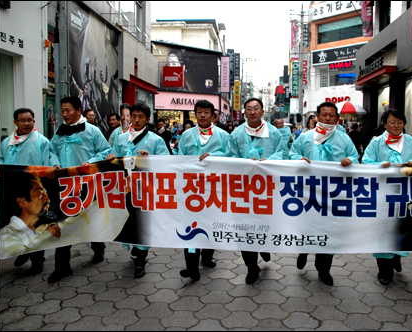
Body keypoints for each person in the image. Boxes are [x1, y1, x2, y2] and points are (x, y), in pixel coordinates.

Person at [290, 101, 359, 286]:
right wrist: (299, 159)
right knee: (307, 225)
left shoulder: (344, 139)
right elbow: (292, 154)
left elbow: (355, 157)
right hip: (308, 191)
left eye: (331, 115)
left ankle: (324, 269)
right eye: (324, 115)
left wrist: (349, 160)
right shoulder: (305, 137)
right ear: (317, 116)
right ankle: (303, 250)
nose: (327, 118)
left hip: (333, 193)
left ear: (337, 118)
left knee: (330, 230)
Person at [48, 96, 111, 283]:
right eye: (63, 110)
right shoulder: (59, 132)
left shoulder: (92, 131)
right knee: (64, 223)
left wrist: (90, 162)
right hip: (65, 187)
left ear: (78, 110)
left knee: (90, 220)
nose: (65, 114)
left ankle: (98, 248)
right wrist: (55, 162)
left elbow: (105, 151)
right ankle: (62, 267)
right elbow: (51, 151)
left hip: (87, 185)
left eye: (68, 110)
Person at [362, 108, 412, 285]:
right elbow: (366, 162)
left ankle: (396, 257)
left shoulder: (411, 142)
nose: (396, 125)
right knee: (383, 230)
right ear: (385, 124)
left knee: (401, 228)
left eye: (400, 122)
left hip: (405, 195)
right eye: (392, 122)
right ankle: (384, 269)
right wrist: (379, 166)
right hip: (382, 194)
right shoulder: (376, 142)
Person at [226, 98, 289, 284]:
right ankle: (251, 267)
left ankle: (264, 245)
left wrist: (269, 161)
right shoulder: (236, 134)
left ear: (262, 112)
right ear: (244, 112)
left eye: (256, 109)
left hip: (269, 189)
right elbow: (230, 156)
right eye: (249, 109)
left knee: (267, 224)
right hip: (244, 189)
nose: (252, 112)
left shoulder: (274, 133)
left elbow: (283, 153)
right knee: (245, 228)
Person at [107, 103, 170, 278]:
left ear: (148, 120)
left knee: (143, 223)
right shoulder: (121, 138)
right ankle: (135, 249)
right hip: (125, 188)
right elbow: (114, 157)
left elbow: (167, 162)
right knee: (129, 220)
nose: (135, 120)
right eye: (133, 116)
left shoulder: (155, 140)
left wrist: (150, 160)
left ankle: (140, 261)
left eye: (140, 116)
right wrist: (112, 158)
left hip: (145, 190)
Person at [178, 100, 230, 281]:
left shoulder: (224, 136)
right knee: (191, 225)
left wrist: (214, 157)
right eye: (199, 112)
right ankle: (192, 267)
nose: (202, 115)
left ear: (213, 115)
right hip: (191, 188)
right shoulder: (185, 135)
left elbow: (232, 157)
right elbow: (179, 159)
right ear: (195, 114)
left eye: (206, 112)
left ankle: (207, 256)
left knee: (210, 223)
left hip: (215, 188)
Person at [0, 108, 54, 275]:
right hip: (12, 191)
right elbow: (0, 159)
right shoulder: (7, 142)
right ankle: (22, 252)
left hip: (33, 194)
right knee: (15, 223)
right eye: (22, 120)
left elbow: (46, 165)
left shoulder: (41, 141)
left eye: (30, 120)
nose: (27, 123)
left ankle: (38, 259)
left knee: (36, 225)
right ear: (15, 122)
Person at [0, 173, 61, 259]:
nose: (47, 199)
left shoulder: (41, 229)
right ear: (22, 202)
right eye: (40, 193)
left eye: (45, 193)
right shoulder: (6, 237)